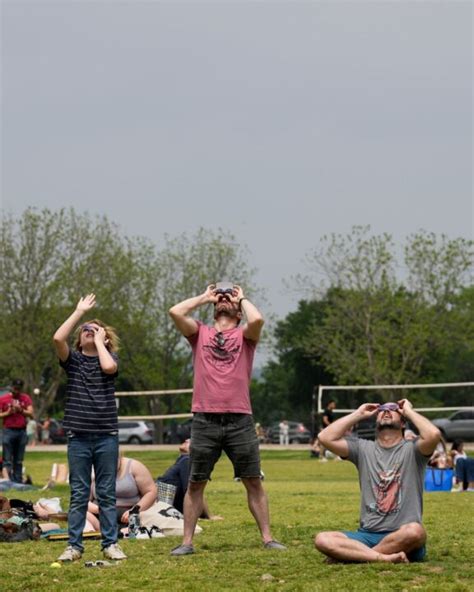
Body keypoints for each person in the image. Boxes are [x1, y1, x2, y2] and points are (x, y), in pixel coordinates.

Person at [168, 283, 286, 555]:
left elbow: (257, 319)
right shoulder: (200, 333)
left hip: (240, 419)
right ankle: (186, 543)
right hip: (204, 419)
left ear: (239, 311)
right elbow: (175, 311)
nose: (223, 299)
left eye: (228, 299)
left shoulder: (246, 335)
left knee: (252, 480)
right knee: (196, 482)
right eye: (219, 299)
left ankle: (268, 538)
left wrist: (241, 297)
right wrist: (204, 297)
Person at [314, 399, 441, 563]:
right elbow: (324, 437)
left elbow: (434, 434)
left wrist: (409, 411)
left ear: (403, 422)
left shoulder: (414, 449)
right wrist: (358, 414)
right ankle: (382, 557)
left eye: (393, 408)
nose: (386, 411)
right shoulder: (362, 449)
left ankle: (355, 556)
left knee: (416, 532)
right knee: (322, 539)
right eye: (382, 409)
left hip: (402, 536)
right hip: (367, 534)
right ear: (375, 418)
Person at [53, 293, 126, 562]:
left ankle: (110, 543)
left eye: (94, 331)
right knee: (79, 493)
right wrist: (79, 313)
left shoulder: (111, 359)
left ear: (105, 339)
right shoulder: (73, 361)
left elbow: (107, 366)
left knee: (106, 492)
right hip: (79, 438)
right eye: (85, 330)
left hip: (106, 437)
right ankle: (74, 546)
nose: (88, 332)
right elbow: (58, 338)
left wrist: (100, 340)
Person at [87, 454, 158, 532]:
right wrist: (98, 509)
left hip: (130, 514)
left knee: (143, 518)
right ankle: (92, 532)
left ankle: (126, 531)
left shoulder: (135, 467)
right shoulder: (91, 469)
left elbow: (151, 492)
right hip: (101, 514)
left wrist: (135, 510)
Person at [157, 439, 221, 519]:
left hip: (160, 503)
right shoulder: (183, 460)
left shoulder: (187, 460)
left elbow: (193, 491)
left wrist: (209, 516)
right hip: (161, 501)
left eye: (191, 440)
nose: (186, 440)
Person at [0, 379, 34, 482]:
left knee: (18, 459)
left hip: (21, 431)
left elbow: (31, 414)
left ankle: (18, 480)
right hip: (8, 431)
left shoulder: (25, 398)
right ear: (12, 387)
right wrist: (8, 412)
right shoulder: (3, 399)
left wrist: (21, 410)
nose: (17, 391)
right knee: (7, 458)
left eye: (19, 389)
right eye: (15, 388)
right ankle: (8, 479)